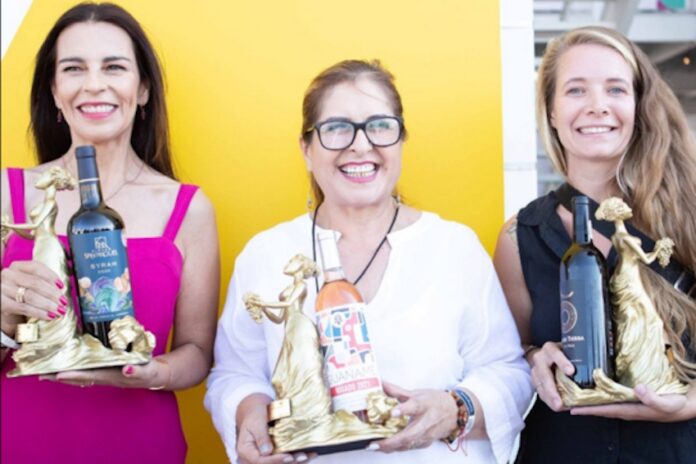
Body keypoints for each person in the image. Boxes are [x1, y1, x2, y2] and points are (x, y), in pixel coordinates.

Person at [205, 59, 532, 464]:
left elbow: (509, 373)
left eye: (379, 126)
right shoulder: (266, 253)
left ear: (400, 141)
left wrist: (455, 409)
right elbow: (234, 374)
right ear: (306, 149)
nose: (361, 145)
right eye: (337, 128)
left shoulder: (455, 247)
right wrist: (248, 410)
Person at [0, 3, 220, 463]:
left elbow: (197, 354)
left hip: (140, 445)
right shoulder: (7, 194)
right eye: (74, 68)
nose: (94, 84)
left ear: (142, 90)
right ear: (55, 91)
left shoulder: (189, 209)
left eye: (114, 67)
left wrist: (151, 371)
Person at [493, 26, 696, 464]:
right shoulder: (519, 237)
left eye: (616, 88)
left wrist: (691, 401)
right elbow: (508, 360)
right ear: (550, 111)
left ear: (639, 105)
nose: (597, 105)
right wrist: (533, 357)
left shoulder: (691, 213)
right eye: (575, 90)